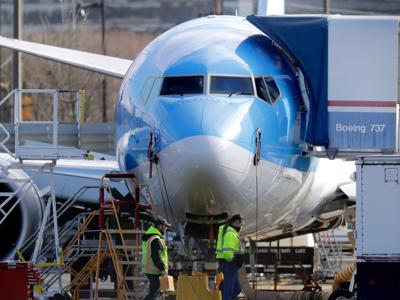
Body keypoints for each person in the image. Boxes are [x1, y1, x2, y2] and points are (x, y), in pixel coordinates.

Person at [142, 216, 172, 300]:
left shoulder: (151, 237)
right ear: (159, 226)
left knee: (155, 293)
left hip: (151, 270)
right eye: (165, 226)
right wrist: (163, 268)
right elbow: (156, 256)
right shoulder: (156, 239)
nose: (166, 228)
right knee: (154, 296)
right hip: (155, 270)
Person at [216, 214, 245, 300]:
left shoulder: (230, 231)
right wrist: (233, 261)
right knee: (229, 291)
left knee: (237, 289)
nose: (241, 226)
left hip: (229, 264)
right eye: (241, 224)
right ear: (236, 222)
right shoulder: (230, 233)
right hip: (229, 264)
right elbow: (227, 251)